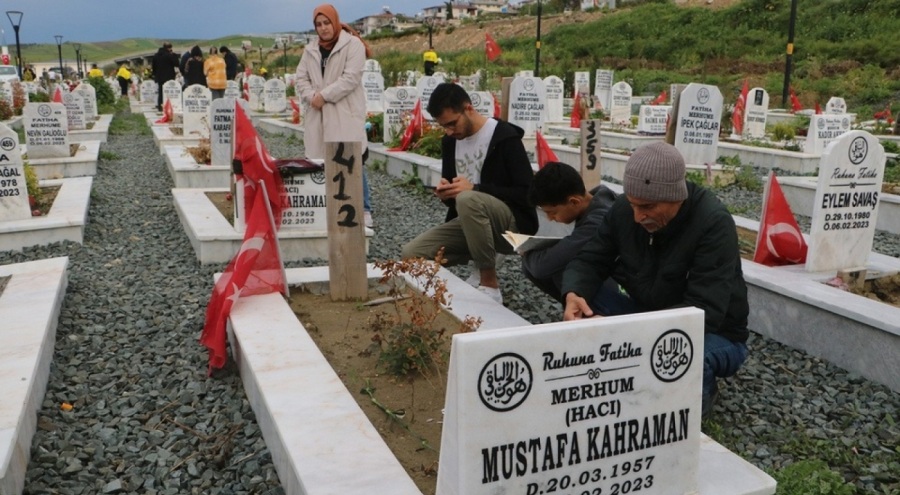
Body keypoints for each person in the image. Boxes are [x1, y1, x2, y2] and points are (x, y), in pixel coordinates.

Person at [560, 142, 750, 418]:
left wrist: (629, 331)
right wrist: (574, 292)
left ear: (676, 196)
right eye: (634, 205)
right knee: (586, 297)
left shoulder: (713, 223)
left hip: (713, 333)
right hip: (647, 312)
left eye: (648, 207)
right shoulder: (624, 209)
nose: (638, 217)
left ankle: (698, 405)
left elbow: (703, 311)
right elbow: (591, 258)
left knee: (689, 358)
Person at [401, 83, 537, 305]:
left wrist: (474, 190)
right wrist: (447, 194)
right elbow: (459, 199)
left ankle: (489, 284)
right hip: (471, 220)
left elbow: (527, 194)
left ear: (468, 108)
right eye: (444, 127)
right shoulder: (450, 142)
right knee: (412, 254)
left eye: (453, 123)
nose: (450, 131)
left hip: (513, 225)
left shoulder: (504, 137)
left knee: (468, 198)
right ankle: (440, 301)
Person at [295, 4, 372, 226]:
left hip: (343, 111)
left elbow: (350, 78)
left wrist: (324, 96)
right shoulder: (311, 49)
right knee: (321, 159)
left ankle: (364, 208)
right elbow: (301, 78)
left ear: (335, 22)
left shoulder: (352, 45)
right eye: (318, 25)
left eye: (326, 23)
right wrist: (311, 96)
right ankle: (330, 207)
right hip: (318, 114)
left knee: (351, 159)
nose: (323, 28)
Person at [523, 162, 617, 304]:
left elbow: (541, 268)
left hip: (626, 291)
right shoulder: (598, 202)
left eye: (552, 213)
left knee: (560, 269)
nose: (550, 219)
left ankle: (597, 314)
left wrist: (526, 253)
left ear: (574, 202)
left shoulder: (598, 222)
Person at [152, 42, 180, 111]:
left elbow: (154, 67)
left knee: (161, 92)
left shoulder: (156, 55)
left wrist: (156, 75)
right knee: (169, 93)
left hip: (159, 77)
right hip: (169, 76)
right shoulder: (169, 55)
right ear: (169, 48)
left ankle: (160, 107)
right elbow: (177, 64)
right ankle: (169, 107)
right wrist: (173, 55)